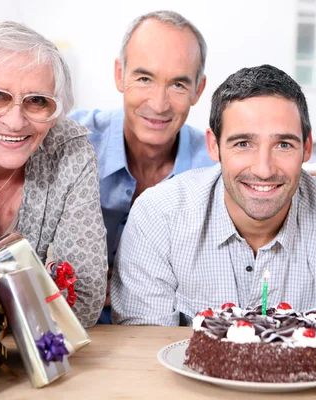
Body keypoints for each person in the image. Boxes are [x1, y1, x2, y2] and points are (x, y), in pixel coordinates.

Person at [111, 64, 316, 326]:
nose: (263, 169)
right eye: (243, 143)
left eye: (283, 144)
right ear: (214, 146)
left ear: (307, 148)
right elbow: (146, 347)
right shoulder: (158, 217)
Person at [0, 21, 108, 328]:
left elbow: (83, 300)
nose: (16, 121)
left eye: (38, 101)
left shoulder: (69, 151)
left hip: (29, 362)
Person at [69, 11, 215, 323]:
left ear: (198, 90)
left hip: (165, 339)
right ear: (119, 74)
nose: (159, 104)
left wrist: (138, 290)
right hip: (69, 335)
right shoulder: (68, 143)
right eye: (144, 78)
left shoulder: (216, 170)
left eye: (178, 84)